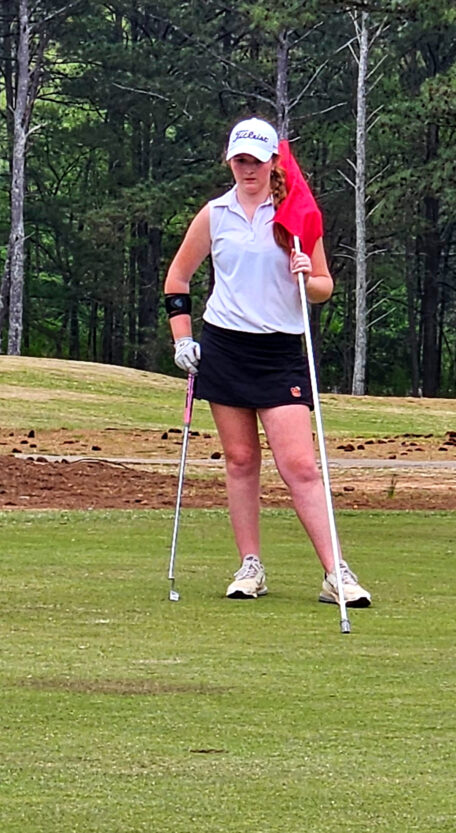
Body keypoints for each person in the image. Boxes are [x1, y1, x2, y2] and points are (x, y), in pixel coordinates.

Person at [163, 116, 371, 607]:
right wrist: (183, 341)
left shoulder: (296, 214)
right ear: (230, 161)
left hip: (279, 350)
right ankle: (250, 565)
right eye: (239, 160)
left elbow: (322, 288)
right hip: (225, 346)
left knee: (299, 464)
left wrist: (307, 271)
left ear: (273, 162)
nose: (247, 169)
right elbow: (177, 280)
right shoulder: (215, 214)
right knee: (240, 461)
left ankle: (335, 572)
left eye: (256, 161)